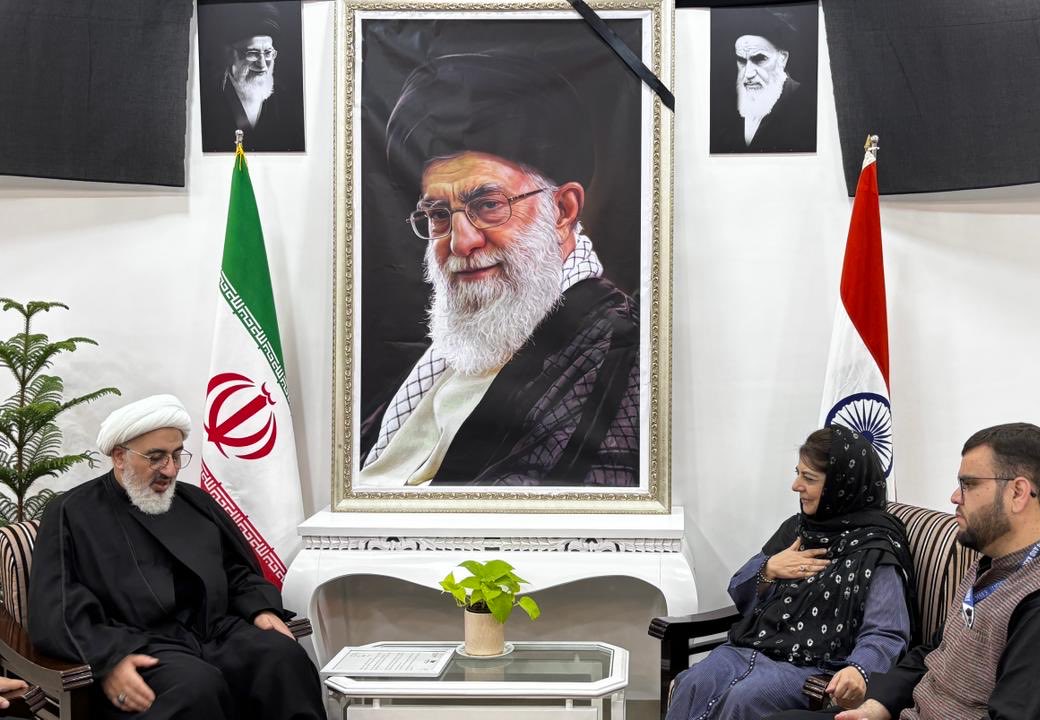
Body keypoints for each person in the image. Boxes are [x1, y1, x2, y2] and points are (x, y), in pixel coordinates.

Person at [357, 51, 640, 488]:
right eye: (438, 214)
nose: (461, 241)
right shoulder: (460, 346)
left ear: (562, 211)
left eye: (489, 205)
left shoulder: (618, 353)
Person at [767, 423, 1040, 720]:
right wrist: (878, 705)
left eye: (968, 484)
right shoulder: (996, 565)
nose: (955, 497)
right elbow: (934, 652)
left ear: (1018, 493)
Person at [28, 394, 326, 719]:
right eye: (156, 457)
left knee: (283, 659)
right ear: (120, 457)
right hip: (139, 644)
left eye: (176, 455)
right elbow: (60, 609)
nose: (169, 470)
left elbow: (236, 571)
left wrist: (260, 608)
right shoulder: (71, 513)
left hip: (214, 632)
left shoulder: (194, 502)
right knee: (196, 687)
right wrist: (108, 659)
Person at [666, 425, 918, 720]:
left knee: (744, 700)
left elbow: (886, 632)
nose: (796, 485)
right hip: (750, 649)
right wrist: (769, 569)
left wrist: (859, 669)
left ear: (841, 485)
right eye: (798, 473)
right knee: (694, 683)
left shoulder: (875, 549)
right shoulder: (798, 528)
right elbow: (739, 588)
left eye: (809, 478)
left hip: (815, 668)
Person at [712, 7, 817, 153]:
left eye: (760, 59)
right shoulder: (728, 108)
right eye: (742, 60)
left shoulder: (807, 105)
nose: (748, 74)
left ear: (782, 58)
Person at [200, 3, 303, 152]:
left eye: (268, 53)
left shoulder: (287, 100)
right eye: (253, 53)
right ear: (231, 55)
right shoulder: (208, 98)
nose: (262, 65)